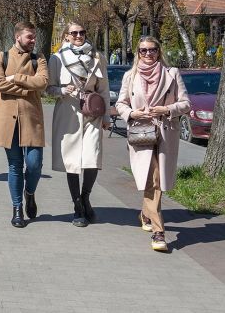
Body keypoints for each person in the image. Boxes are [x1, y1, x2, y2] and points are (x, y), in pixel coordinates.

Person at [115, 35, 191, 252]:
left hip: (165, 133)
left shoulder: (172, 74)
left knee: (158, 180)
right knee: (151, 180)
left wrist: (167, 109)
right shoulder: (130, 76)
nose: (148, 54)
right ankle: (159, 232)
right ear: (137, 53)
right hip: (141, 132)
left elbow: (186, 103)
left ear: (159, 51)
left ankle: (146, 213)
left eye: (152, 50)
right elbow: (121, 103)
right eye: (143, 50)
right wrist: (132, 113)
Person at [48, 22, 111, 227]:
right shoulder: (57, 58)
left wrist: (107, 116)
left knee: (92, 157)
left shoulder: (96, 57)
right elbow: (48, 88)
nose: (78, 36)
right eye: (73, 33)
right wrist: (61, 91)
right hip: (69, 113)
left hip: (92, 112)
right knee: (72, 160)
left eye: (82, 32)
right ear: (66, 36)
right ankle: (77, 206)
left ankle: (86, 197)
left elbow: (104, 88)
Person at [0, 22, 48, 228]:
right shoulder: (1, 56)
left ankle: (29, 192)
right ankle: (17, 208)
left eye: (34, 37)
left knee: (34, 165)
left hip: (32, 120)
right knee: (15, 166)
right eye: (29, 37)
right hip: (8, 121)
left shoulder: (38, 58)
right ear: (17, 37)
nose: (33, 41)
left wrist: (16, 78)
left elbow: (42, 82)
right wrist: (26, 88)